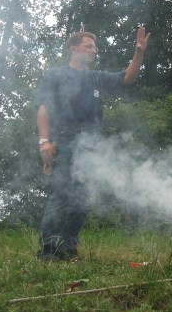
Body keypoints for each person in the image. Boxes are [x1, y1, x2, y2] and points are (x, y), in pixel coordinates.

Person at [36, 27, 150, 261]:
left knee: (80, 198)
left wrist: (139, 52)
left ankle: (68, 250)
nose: (94, 50)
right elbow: (43, 107)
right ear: (73, 49)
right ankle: (49, 251)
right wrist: (44, 140)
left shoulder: (95, 77)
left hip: (91, 144)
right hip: (64, 140)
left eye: (95, 47)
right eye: (88, 46)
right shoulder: (55, 75)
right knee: (61, 194)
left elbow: (127, 77)